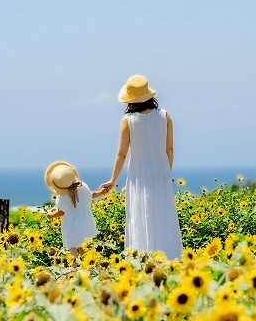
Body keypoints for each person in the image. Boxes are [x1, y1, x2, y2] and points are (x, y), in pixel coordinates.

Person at [100, 75, 183, 260]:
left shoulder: (128, 121)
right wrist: (164, 170)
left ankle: (143, 258)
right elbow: (169, 148)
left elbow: (122, 154)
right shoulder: (165, 115)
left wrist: (113, 180)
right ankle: (170, 258)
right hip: (161, 168)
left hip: (139, 172)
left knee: (140, 213)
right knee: (164, 214)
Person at [44, 161, 106, 257]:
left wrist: (50, 215)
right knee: (84, 246)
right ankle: (88, 266)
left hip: (71, 226)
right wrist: (101, 193)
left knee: (72, 247)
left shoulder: (62, 197)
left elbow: (61, 212)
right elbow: (90, 195)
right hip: (85, 222)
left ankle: (74, 267)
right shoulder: (81, 186)